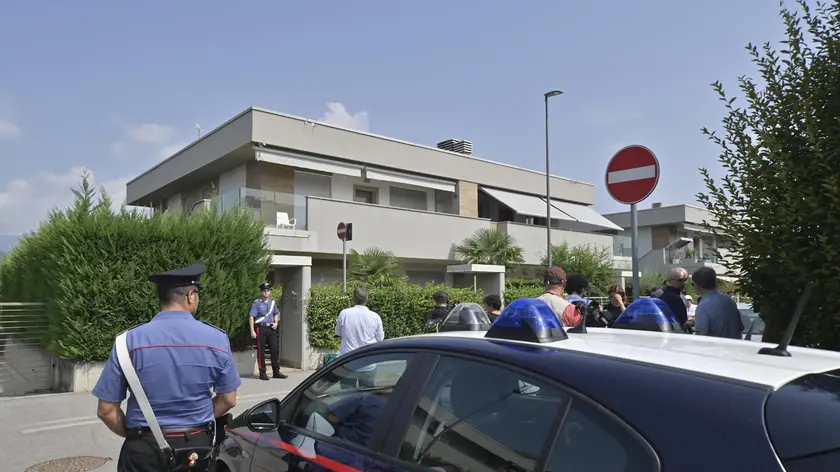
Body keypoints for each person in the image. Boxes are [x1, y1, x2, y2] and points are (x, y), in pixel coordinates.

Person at [92, 263, 241, 472]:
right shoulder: (216, 339)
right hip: (196, 449)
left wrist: (140, 436)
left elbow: (106, 410)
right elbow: (228, 399)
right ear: (190, 295)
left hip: (142, 449)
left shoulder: (127, 341)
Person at [335, 286, 384, 389]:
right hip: (368, 363)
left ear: (353, 298)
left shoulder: (344, 314)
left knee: (346, 399)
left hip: (347, 363)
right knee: (366, 400)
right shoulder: (375, 317)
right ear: (367, 298)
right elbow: (380, 339)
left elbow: (338, 333)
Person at [249, 282, 287, 381]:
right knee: (261, 351)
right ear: (261, 292)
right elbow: (252, 317)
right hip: (261, 328)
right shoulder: (256, 303)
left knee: (274, 350)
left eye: (268, 290)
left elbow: (276, 314)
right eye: (264, 290)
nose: (266, 292)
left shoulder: (272, 303)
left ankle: (276, 371)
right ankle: (262, 373)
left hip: (271, 328)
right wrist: (252, 330)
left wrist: (276, 323)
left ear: (270, 292)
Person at [692, 267, 743, 339]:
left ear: (698, 285)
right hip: (735, 346)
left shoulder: (703, 306)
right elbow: (740, 327)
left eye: (693, 284)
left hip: (716, 348)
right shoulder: (729, 300)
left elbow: (701, 335)